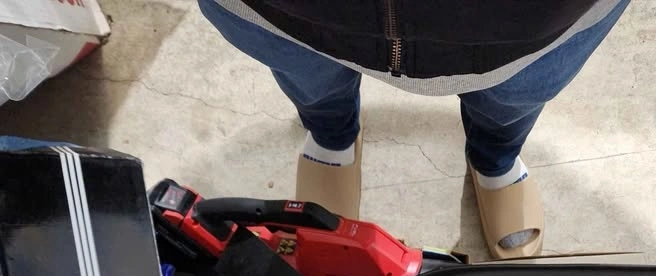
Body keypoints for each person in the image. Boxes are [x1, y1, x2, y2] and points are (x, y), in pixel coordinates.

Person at [199, 0, 630, 259]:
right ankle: (332, 139)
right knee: (309, 78)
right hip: (282, 11)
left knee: (516, 95)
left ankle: (495, 158)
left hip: (538, 18)